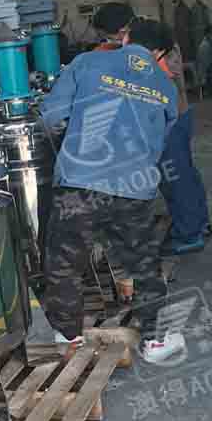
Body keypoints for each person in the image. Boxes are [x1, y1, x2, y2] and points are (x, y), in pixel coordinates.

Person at [40, 18, 182, 364]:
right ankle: (155, 341)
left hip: (80, 183)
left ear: (126, 36)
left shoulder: (87, 62)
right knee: (144, 265)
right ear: (160, 52)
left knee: (65, 263)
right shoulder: (166, 87)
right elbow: (160, 141)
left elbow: (51, 116)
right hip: (134, 188)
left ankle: (68, 336)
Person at [156, 21, 210, 254]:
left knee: (174, 178)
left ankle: (188, 234)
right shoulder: (168, 45)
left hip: (169, 121)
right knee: (186, 174)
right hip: (181, 114)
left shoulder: (156, 55)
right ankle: (198, 223)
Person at [196, 25, 212, 95]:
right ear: (208, 34)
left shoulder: (208, 43)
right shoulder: (204, 46)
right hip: (207, 74)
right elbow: (206, 65)